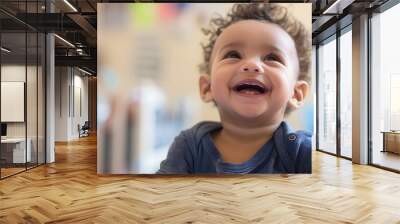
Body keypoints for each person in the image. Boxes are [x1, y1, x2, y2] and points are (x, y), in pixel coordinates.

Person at [157, 3, 311, 174]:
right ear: (207, 88)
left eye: (272, 57)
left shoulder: (301, 151)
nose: (252, 65)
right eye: (233, 55)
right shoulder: (190, 145)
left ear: (296, 94)